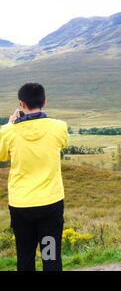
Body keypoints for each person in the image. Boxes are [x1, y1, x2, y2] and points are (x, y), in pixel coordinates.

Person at [0, 83, 68, 271]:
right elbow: (62, 143)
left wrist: (8, 124)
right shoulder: (59, 127)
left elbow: (1, 154)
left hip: (21, 205)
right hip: (50, 203)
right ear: (44, 101)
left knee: (25, 257)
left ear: (21, 104)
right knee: (51, 257)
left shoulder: (8, 132)